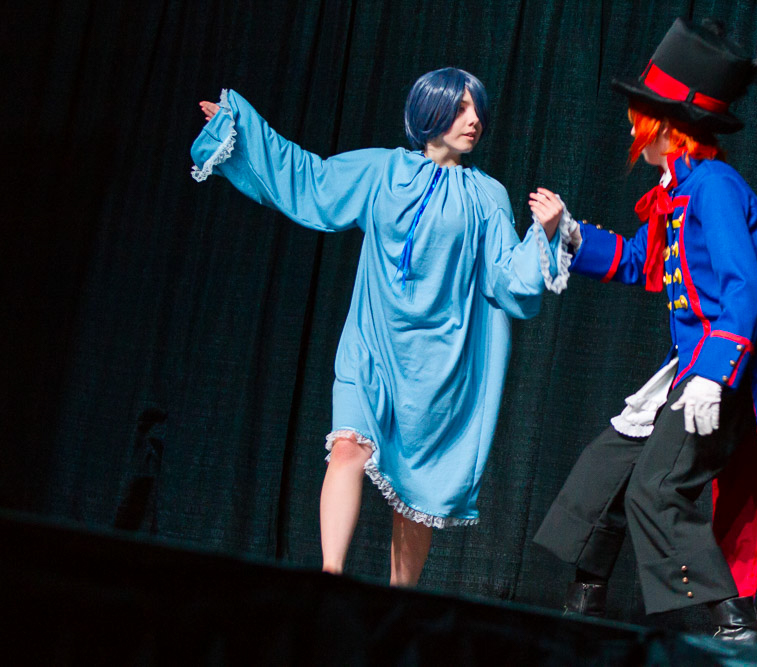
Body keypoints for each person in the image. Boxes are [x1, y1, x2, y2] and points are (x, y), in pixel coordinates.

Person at [191, 68, 572, 586]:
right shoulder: (383, 171)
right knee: (347, 447)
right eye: (461, 108)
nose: (474, 120)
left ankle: (399, 602)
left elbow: (510, 283)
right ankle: (330, 580)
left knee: (416, 492)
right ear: (430, 111)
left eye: (477, 110)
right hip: (372, 345)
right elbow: (311, 179)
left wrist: (543, 233)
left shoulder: (487, 196)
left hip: (439, 366)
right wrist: (241, 129)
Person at [532, 19, 757, 644]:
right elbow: (642, 262)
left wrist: (713, 375)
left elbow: (744, 289)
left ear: (667, 126)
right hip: (690, 366)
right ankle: (583, 606)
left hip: (725, 371)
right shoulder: (679, 190)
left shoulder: (715, 189)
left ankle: (734, 625)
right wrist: (569, 231)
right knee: (607, 468)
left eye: (640, 117)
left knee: (657, 487)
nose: (632, 128)